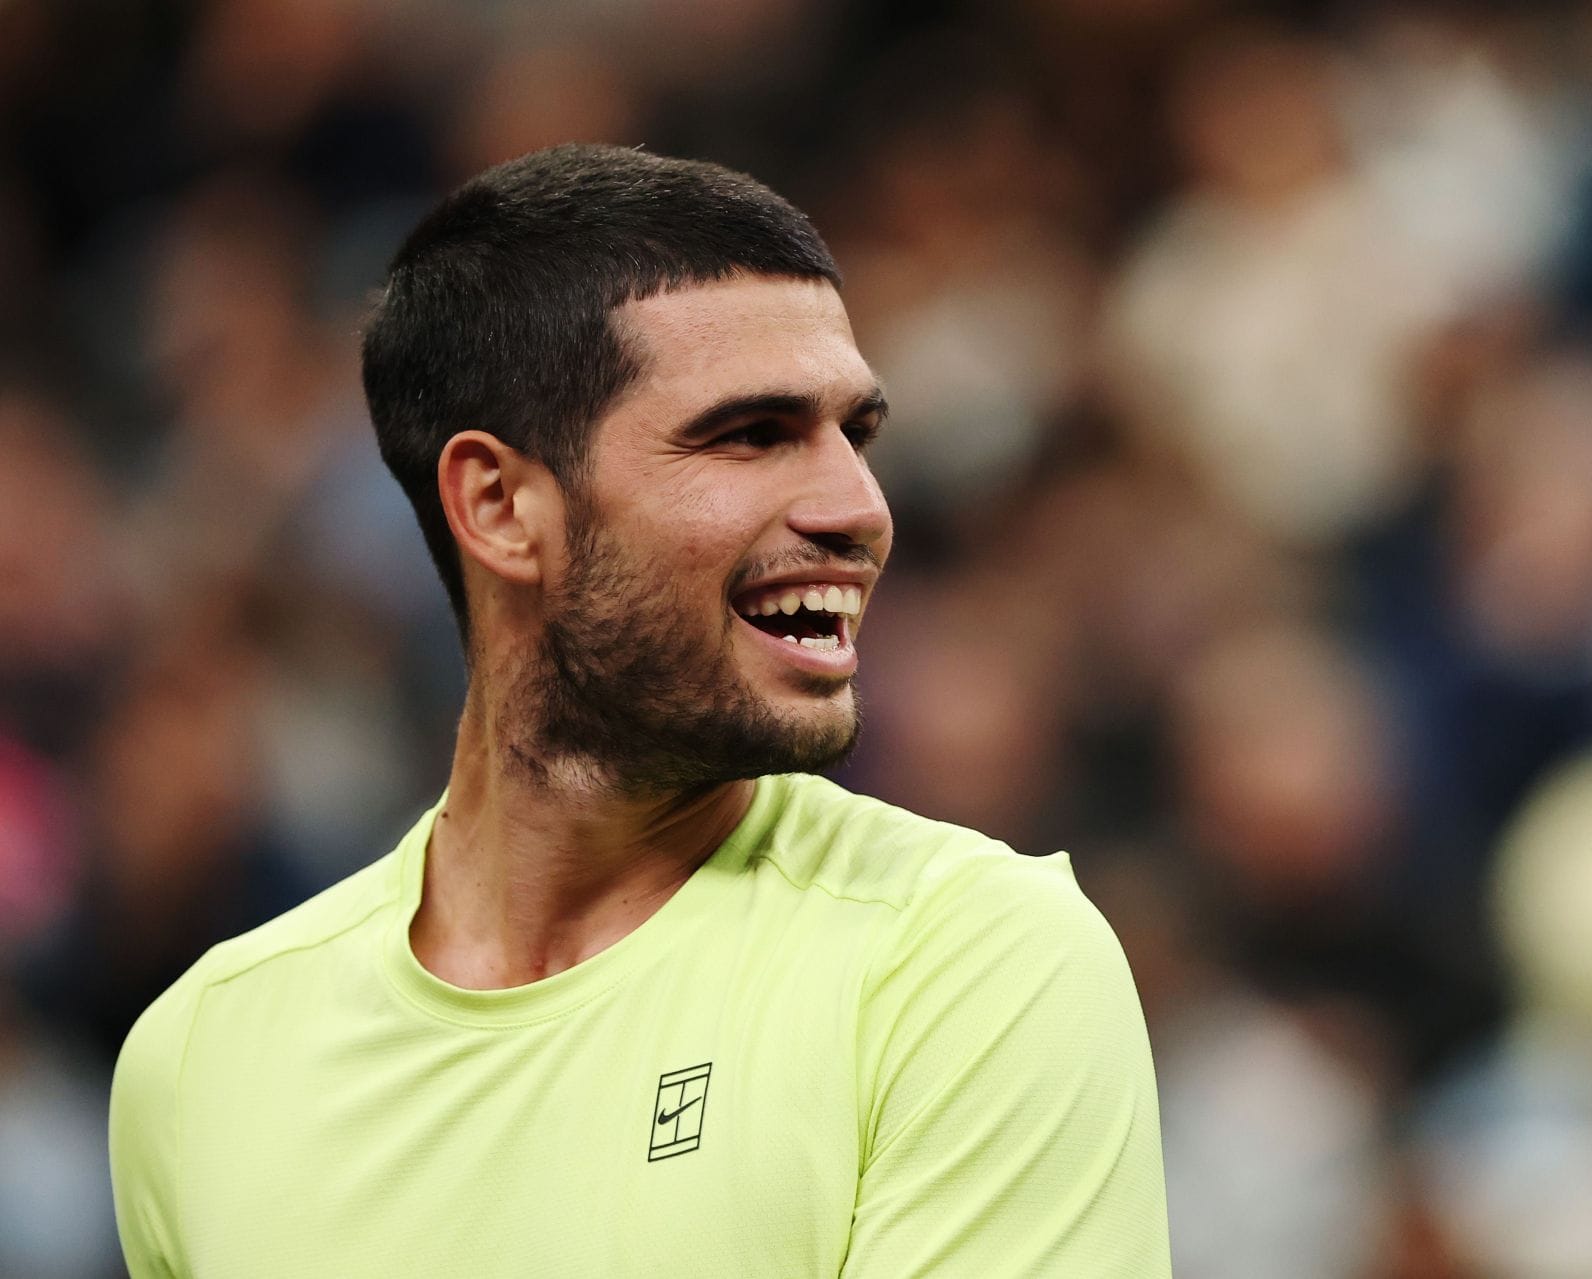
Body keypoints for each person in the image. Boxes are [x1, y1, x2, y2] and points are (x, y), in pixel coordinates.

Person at [106, 144, 1171, 1278]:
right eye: (752, 434)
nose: (860, 509)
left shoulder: (971, 963)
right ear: (499, 504)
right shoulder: (201, 1059)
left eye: (855, 435)